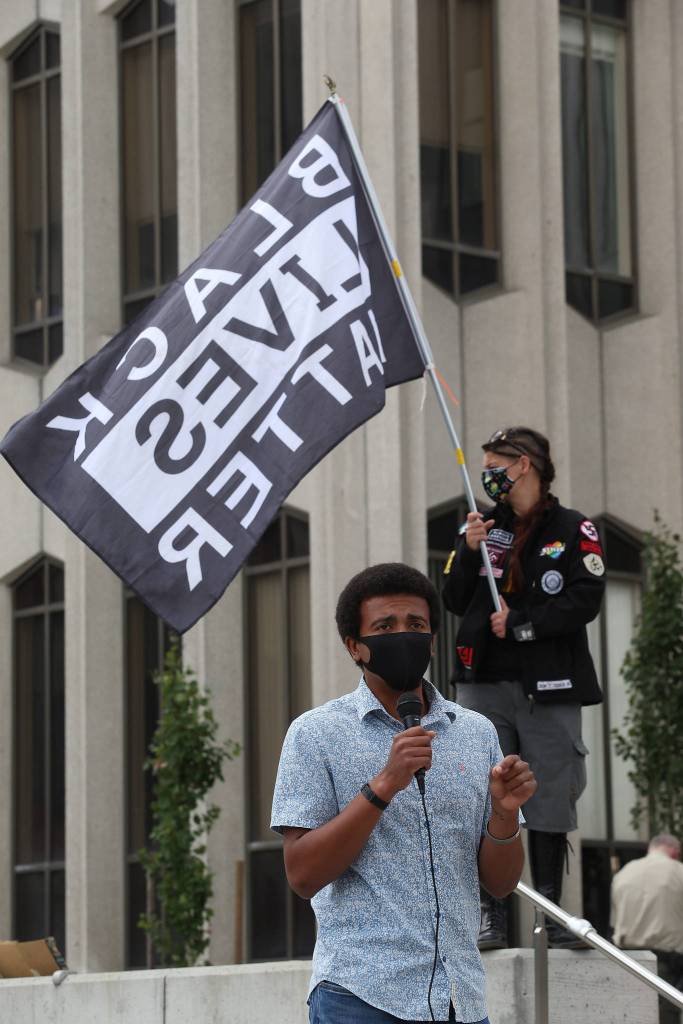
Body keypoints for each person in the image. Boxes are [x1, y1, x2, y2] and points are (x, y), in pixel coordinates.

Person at [271, 562, 537, 1024]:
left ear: (433, 640)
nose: (403, 635)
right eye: (384, 626)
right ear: (355, 647)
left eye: (416, 625)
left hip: (461, 1000)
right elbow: (303, 874)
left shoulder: (475, 732)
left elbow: (501, 884)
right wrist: (383, 785)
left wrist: (503, 814)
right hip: (361, 998)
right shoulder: (315, 734)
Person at [442, 426, 605, 950]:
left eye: (496, 464)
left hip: (549, 685)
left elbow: (585, 600)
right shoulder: (483, 527)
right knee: (487, 795)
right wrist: (469, 552)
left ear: (525, 465)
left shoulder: (575, 528)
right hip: (484, 683)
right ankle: (492, 915)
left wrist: (521, 624)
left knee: (551, 796)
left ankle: (554, 915)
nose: (488, 475)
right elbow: (452, 596)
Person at [611, 834, 683, 1024]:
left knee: (632, 1014)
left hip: (627, 960)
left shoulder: (623, 873)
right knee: (666, 1014)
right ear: (675, 851)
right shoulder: (679, 871)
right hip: (667, 961)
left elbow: (615, 919)